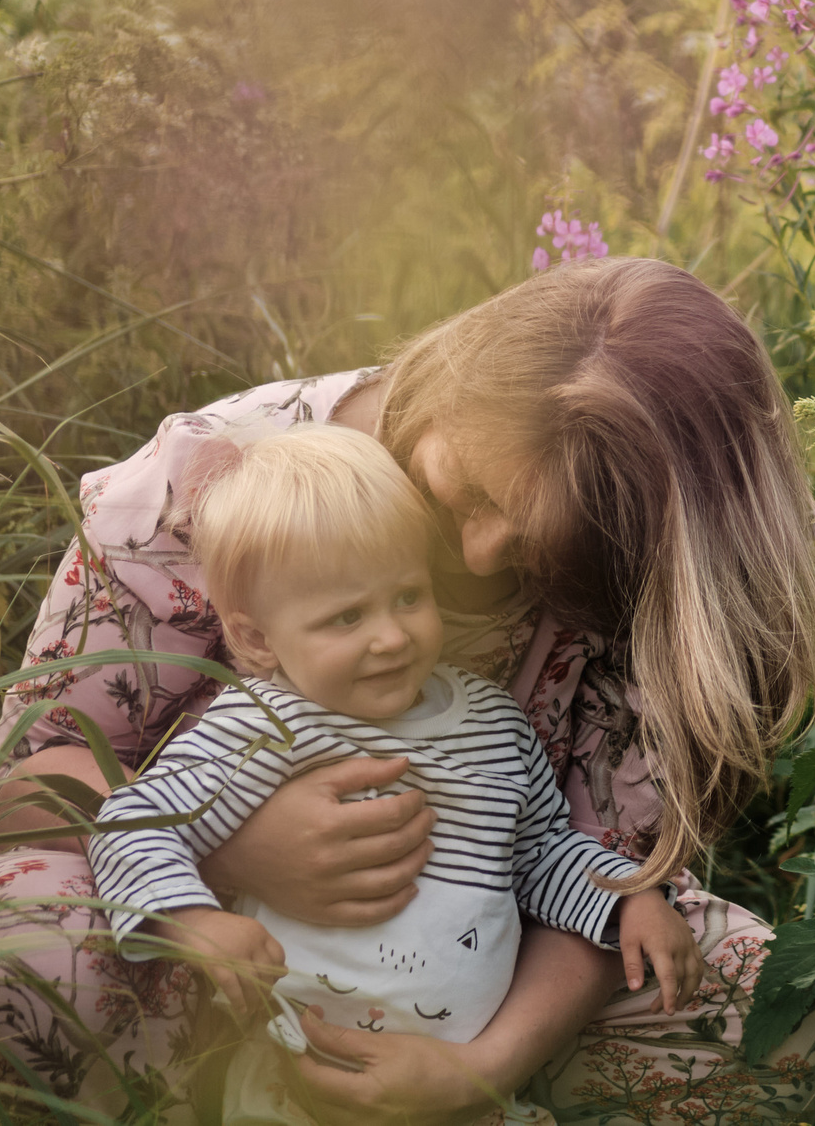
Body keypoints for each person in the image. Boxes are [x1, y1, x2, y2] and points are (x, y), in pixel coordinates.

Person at [0, 258, 815, 1124]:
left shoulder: (638, 586)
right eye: (475, 488)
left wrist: (476, 1073)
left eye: (540, 552)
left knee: (774, 1015)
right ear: (457, 384)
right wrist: (225, 854)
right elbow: (21, 785)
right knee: (23, 954)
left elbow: (581, 856)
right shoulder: (232, 490)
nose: (480, 555)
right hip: (219, 956)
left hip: (488, 972)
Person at [92, 424, 698, 1124]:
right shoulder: (259, 725)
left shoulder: (493, 728)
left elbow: (541, 855)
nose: (390, 634)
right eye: (346, 615)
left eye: (408, 595)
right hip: (299, 1084)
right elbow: (135, 822)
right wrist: (192, 920)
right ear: (258, 637)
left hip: (466, 1089)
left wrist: (629, 901)